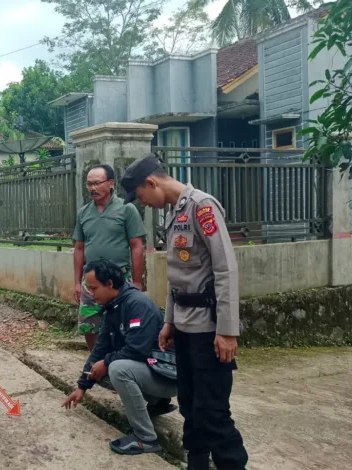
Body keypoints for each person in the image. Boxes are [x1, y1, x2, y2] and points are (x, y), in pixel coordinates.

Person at [120, 154, 248, 470]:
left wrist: (228, 330)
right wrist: (168, 323)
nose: (144, 204)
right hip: (185, 330)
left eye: (141, 196)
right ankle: (197, 463)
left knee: (213, 410)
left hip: (209, 329)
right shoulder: (173, 214)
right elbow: (179, 277)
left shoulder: (203, 207)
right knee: (190, 405)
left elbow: (225, 268)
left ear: (151, 183)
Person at [62, 259, 176, 456]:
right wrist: (82, 387)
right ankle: (157, 402)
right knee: (101, 370)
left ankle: (145, 437)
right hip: (152, 371)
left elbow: (137, 350)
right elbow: (100, 348)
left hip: (168, 376)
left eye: (93, 287)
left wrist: (106, 363)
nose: (90, 293)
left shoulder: (136, 304)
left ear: (110, 284)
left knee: (117, 369)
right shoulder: (113, 307)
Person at [74, 164, 146, 352]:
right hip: (90, 281)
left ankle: (118, 361)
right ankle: (95, 358)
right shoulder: (83, 213)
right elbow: (79, 248)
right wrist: (76, 282)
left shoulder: (126, 209)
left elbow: (137, 246)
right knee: (89, 324)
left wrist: (137, 282)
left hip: (119, 279)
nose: (92, 188)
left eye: (97, 183)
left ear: (111, 183)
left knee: (123, 322)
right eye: (89, 184)